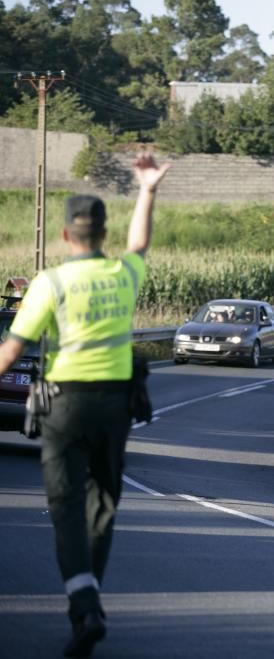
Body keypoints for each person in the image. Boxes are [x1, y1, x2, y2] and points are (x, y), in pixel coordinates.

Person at [0, 154, 169, 657]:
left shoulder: (50, 283)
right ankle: (87, 600)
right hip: (115, 408)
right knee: (103, 507)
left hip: (65, 406)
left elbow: (12, 350)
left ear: (65, 235)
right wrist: (148, 189)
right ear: (100, 232)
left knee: (66, 508)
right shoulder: (122, 273)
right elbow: (141, 243)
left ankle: (85, 603)